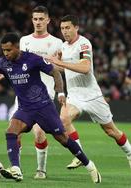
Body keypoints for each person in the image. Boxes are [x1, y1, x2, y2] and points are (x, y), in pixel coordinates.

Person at [0, 32, 101, 183]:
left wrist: (60, 91)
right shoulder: (2, 63)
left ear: (17, 47)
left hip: (43, 107)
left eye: (9, 50)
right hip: (25, 109)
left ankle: (90, 165)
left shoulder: (32, 59)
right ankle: (16, 169)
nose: (6, 53)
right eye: (3, 50)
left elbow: (55, 72)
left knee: (62, 138)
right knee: (11, 131)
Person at [47, 15, 131, 169]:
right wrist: (49, 63)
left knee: (111, 131)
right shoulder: (64, 47)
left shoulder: (84, 44)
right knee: (64, 119)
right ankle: (80, 155)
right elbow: (62, 68)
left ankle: (130, 153)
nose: (64, 31)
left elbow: (85, 68)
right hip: (74, 95)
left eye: (68, 28)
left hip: (92, 95)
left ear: (76, 27)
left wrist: (60, 62)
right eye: (62, 28)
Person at [0, 6, 63, 179]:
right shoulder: (23, 40)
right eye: (35, 19)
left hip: (44, 93)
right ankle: (16, 168)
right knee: (14, 130)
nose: (38, 22)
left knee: (39, 133)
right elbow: (15, 61)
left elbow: (60, 68)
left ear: (48, 20)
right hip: (23, 94)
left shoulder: (56, 43)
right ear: (32, 20)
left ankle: (41, 169)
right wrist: (4, 72)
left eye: (41, 19)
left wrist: (54, 65)